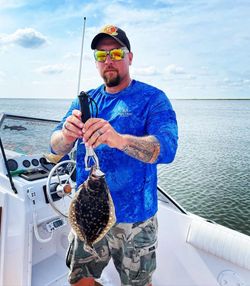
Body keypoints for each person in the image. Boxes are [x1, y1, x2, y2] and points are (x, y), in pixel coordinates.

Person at [50, 24, 178, 286]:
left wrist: (118, 140)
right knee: (80, 279)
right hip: (87, 211)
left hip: (136, 220)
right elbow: (55, 147)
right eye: (101, 55)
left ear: (129, 57)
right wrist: (67, 135)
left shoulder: (153, 99)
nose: (108, 60)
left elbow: (167, 148)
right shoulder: (84, 101)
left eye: (116, 53)